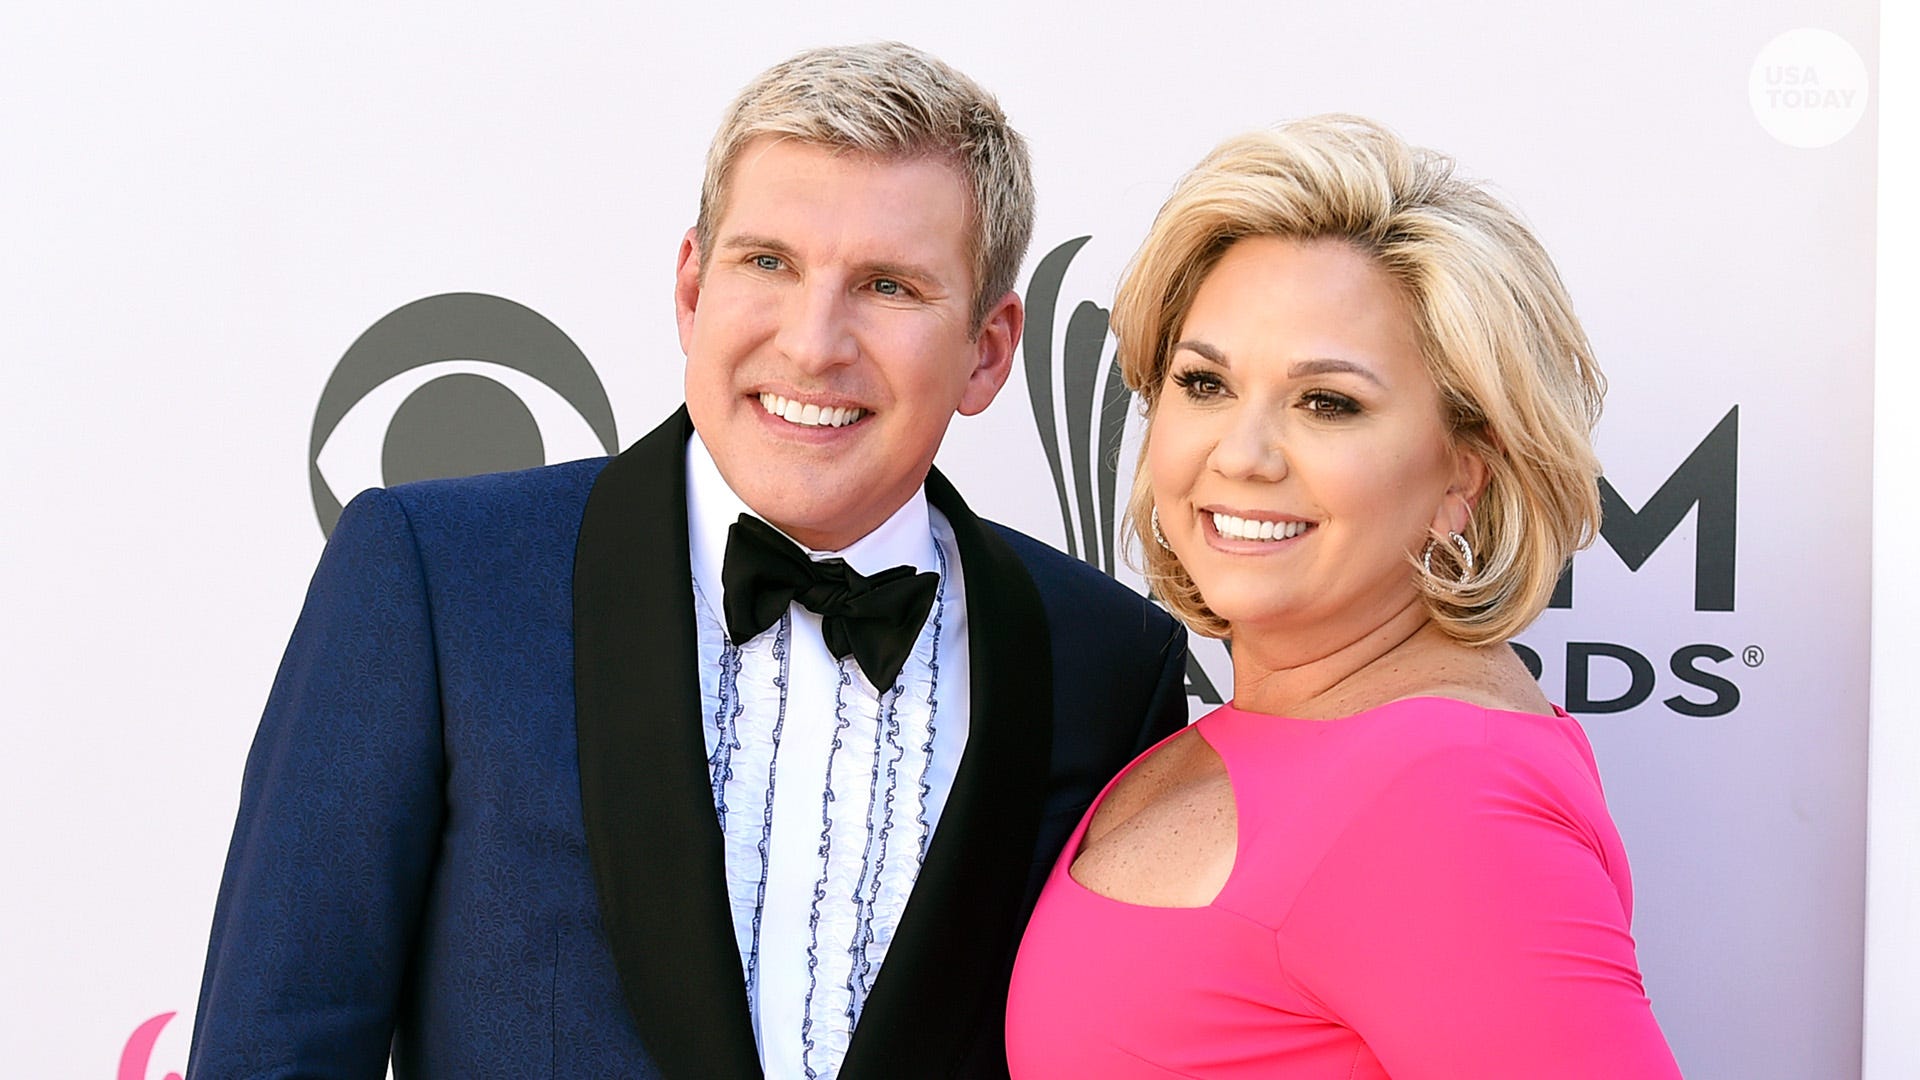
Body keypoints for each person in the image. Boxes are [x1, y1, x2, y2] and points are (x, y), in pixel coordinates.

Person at [187, 42, 1189, 1079]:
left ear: (987, 349)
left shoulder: (1106, 663)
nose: (813, 343)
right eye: (769, 263)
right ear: (691, 288)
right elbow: (276, 1044)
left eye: (888, 286)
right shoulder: (437, 577)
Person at [1005, 116, 1681, 1078]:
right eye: (1204, 384)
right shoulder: (1251, 730)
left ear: (1463, 474)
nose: (1241, 455)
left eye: (1328, 403)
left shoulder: (1449, 797)